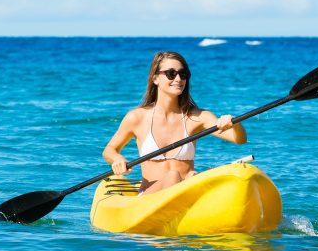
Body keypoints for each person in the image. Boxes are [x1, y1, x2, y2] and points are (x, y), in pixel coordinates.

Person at [103, 51, 247, 195]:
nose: (178, 79)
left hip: (186, 193)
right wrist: (117, 159)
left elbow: (239, 139)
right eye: (171, 73)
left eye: (182, 74)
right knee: (174, 175)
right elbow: (109, 150)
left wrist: (234, 123)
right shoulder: (137, 117)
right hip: (149, 198)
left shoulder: (198, 117)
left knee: (192, 176)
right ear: (155, 78)